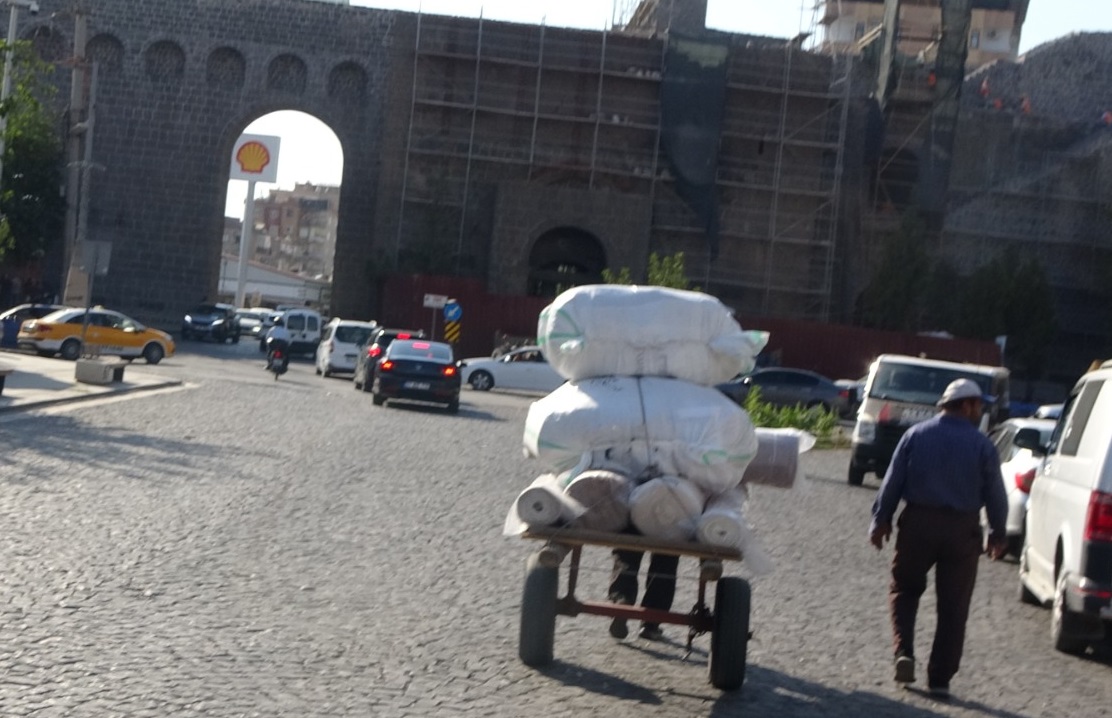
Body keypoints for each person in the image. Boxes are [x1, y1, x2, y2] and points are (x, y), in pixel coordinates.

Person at [869, 378, 1008, 699]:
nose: (981, 411)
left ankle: (903, 652)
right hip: (962, 532)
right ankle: (940, 678)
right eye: (978, 405)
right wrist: (998, 534)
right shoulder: (983, 446)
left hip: (918, 524)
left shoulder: (915, 436)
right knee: (954, 606)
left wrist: (881, 521)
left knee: (904, 589)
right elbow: (996, 496)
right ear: (967, 405)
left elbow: (892, 482)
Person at [607, 549, 679, 641]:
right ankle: (650, 622)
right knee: (667, 556)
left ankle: (622, 598)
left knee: (627, 550)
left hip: (634, 536)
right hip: (668, 538)